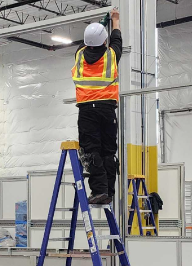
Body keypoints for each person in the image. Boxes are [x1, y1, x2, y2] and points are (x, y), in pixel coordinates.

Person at [72, 9, 122, 206]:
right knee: (108, 151)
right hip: (107, 111)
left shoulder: (78, 56)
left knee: (91, 151)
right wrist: (114, 21)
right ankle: (108, 191)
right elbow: (116, 40)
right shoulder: (111, 55)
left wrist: (100, 24)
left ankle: (100, 191)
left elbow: (85, 43)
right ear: (104, 42)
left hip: (87, 111)